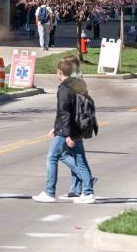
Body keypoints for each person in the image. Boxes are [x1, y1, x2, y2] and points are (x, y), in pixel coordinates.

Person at [33, 58, 95, 203]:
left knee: (52, 157)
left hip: (67, 130)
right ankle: (88, 192)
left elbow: (64, 113)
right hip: (79, 127)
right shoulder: (80, 84)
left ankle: (49, 192)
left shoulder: (63, 89)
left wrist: (67, 134)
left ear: (59, 72)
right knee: (80, 160)